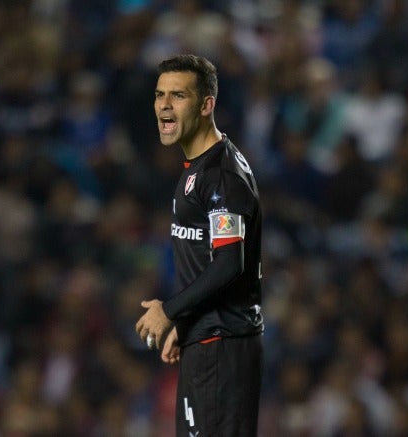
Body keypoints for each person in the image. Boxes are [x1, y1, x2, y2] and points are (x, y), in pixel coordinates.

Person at [135, 54, 264, 436]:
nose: (164, 105)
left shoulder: (222, 176)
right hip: (207, 339)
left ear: (207, 104)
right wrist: (188, 323)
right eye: (160, 95)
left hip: (222, 348)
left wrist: (171, 312)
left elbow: (230, 263)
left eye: (178, 96)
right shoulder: (200, 167)